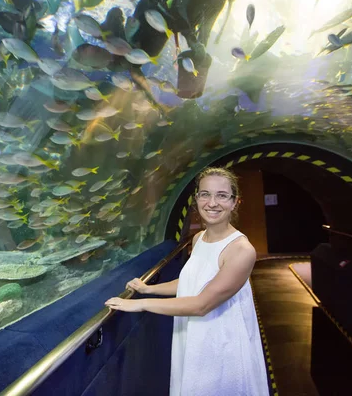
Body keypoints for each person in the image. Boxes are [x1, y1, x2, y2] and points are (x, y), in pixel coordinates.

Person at [105, 167, 269, 396]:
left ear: (235, 202)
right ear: (196, 199)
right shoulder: (199, 238)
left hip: (220, 344)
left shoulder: (241, 250)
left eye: (222, 195)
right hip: (193, 335)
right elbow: (190, 282)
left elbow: (201, 304)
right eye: (205, 194)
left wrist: (140, 304)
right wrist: (147, 288)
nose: (212, 203)